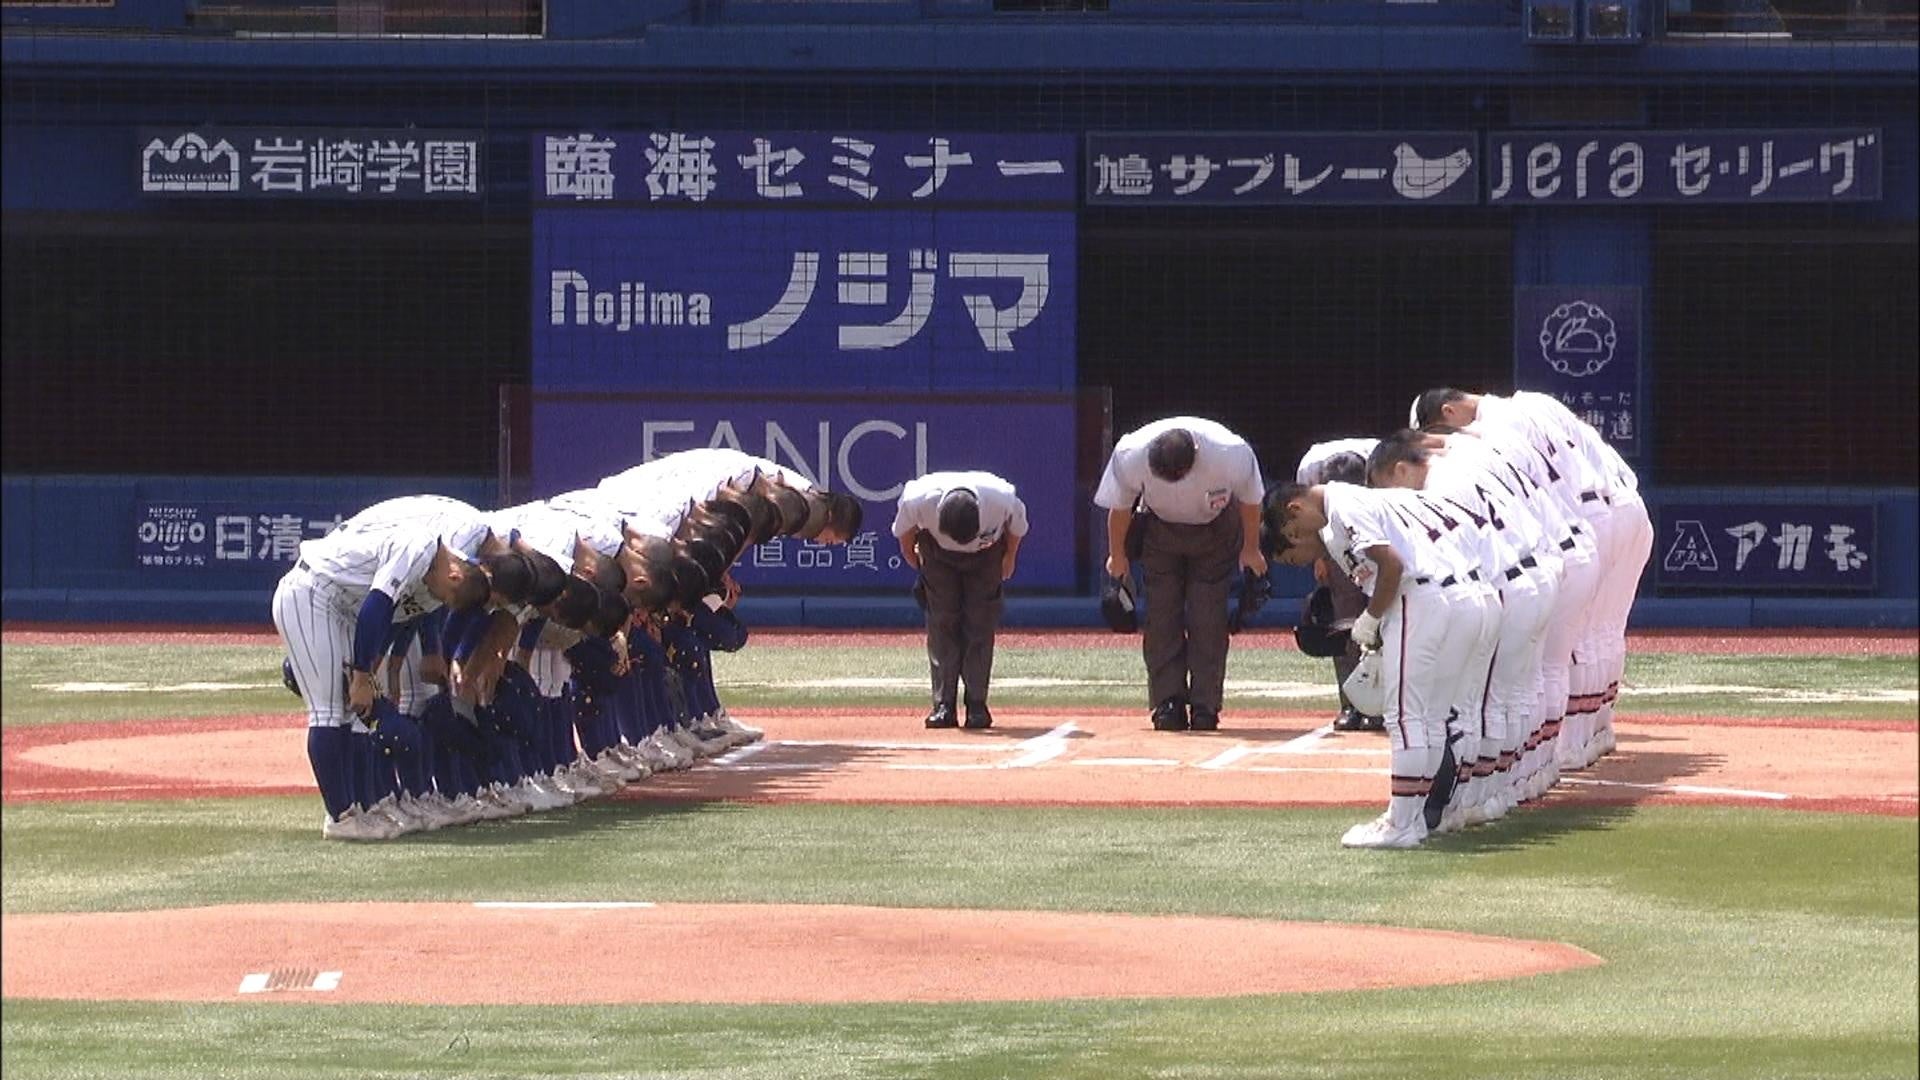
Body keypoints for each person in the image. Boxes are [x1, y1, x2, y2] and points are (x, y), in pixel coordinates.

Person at [1266, 481, 1499, 849]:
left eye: (1295, 533)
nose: (1302, 541)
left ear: (1295, 509)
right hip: (1462, 594)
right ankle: (1432, 814)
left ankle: (1402, 823)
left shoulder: (1343, 506)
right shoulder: (1368, 499)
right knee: (1434, 717)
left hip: (1418, 598)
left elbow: (1392, 565)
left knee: (1406, 717)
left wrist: (1370, 620)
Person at [271, 495, 499, 841]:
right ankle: (342, 816)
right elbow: (378, 603)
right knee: (329, 711)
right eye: (448, 597)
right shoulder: (421, 547)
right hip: (311, 592)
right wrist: (363, 675)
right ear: (454, 575)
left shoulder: (439, 563)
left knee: (356, 716)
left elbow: (391, 618)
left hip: (341, 608)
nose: (441, 602)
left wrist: (376, 670)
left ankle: (365, 806)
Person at [1096, 418, 1267, 733]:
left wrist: (1251, 549)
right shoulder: (1131, 453)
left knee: (1209, 616)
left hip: (1216, 529)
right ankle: (1167, 701)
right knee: (1161, 616)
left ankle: (1205, 704)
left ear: (1197, 453)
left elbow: (1251, 498)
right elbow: (1120, 508)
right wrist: (1117, 556)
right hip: (1159, 529)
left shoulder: (1230, 452)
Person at [891, 471, 1029, 730]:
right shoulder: (917, 499)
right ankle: (944, 704)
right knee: (942, 621)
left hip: (986, 555)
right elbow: (904, 534)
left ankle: (977, 705)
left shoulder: (1001, 498)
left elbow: (1017, 528)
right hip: (937, 555)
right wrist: (916, 562)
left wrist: (1009, 557)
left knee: (980, 622)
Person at [1295, 439, 1381, 732]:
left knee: (1382, 622)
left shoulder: (1385, 466)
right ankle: (1351, 704)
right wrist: (1319, 556)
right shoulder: (1309, 468)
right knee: (1345, 621)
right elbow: (1307, 516)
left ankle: (1379, 706)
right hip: (1333, 540)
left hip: (1378, 535)